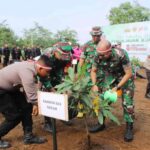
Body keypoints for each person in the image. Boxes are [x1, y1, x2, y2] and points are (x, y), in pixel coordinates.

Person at [0, 55, 51, 148]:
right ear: (40, 68)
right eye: (47, 72)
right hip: (1, 90)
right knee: (14, 116)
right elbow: (32, 97)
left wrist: (34, 104)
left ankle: (28, 137)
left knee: (27, 107)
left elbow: (30, 93)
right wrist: (40, 104)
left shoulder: (33, 66)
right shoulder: (28, 72)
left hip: (11, 88)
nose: (48, 74)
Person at [91, 39, 135, 142]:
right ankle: (101, 123)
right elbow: (93, 71)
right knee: (103, 100)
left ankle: (129, 128)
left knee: (127, 103)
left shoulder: (121, 54)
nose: (100, 57)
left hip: (125, 78)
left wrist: (117, 87)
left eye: (103, 55)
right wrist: (94, 84)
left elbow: (128, 73)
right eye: (99, 54)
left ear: (110, 51)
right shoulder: (98, 55)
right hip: (111, 78)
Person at [37, 41, 75, 132]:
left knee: (60, 95)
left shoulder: (67, 56)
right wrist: (50, 88)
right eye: (63, 55)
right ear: (56, 52)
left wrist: (62, 83)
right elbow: (43, 75)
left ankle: (62, 116)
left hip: (57, 73)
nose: (65, 57)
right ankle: (47, 123)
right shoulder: (47, 56)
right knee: (48, 97)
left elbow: (63, 68)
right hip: (45, 73)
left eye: (67, 55)